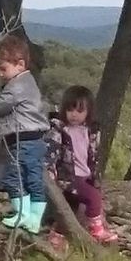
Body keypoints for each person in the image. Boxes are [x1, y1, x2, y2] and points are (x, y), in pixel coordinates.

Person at [0, 35, 51, 233]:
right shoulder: (27, 83)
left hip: (23, 140)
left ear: (20, 65)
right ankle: (33, 217)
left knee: (13, 178)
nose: (0, 74)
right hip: (32, 140)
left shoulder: (17, 87)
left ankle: (23, 213)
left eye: (3, 68)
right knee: (32, 178)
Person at [44, 85, 118, 249]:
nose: (74, 115)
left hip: (85, 175)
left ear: (88, 112)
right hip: (69, 177)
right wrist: (50, 170)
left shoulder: (90, 131)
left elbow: (93, 155)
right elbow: (51, 151)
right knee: (94, 198)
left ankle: (56, 237)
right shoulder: (59, 130)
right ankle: (96, 229)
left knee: (69, 210)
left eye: (79, 111)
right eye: (70, 110)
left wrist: (94, 175)